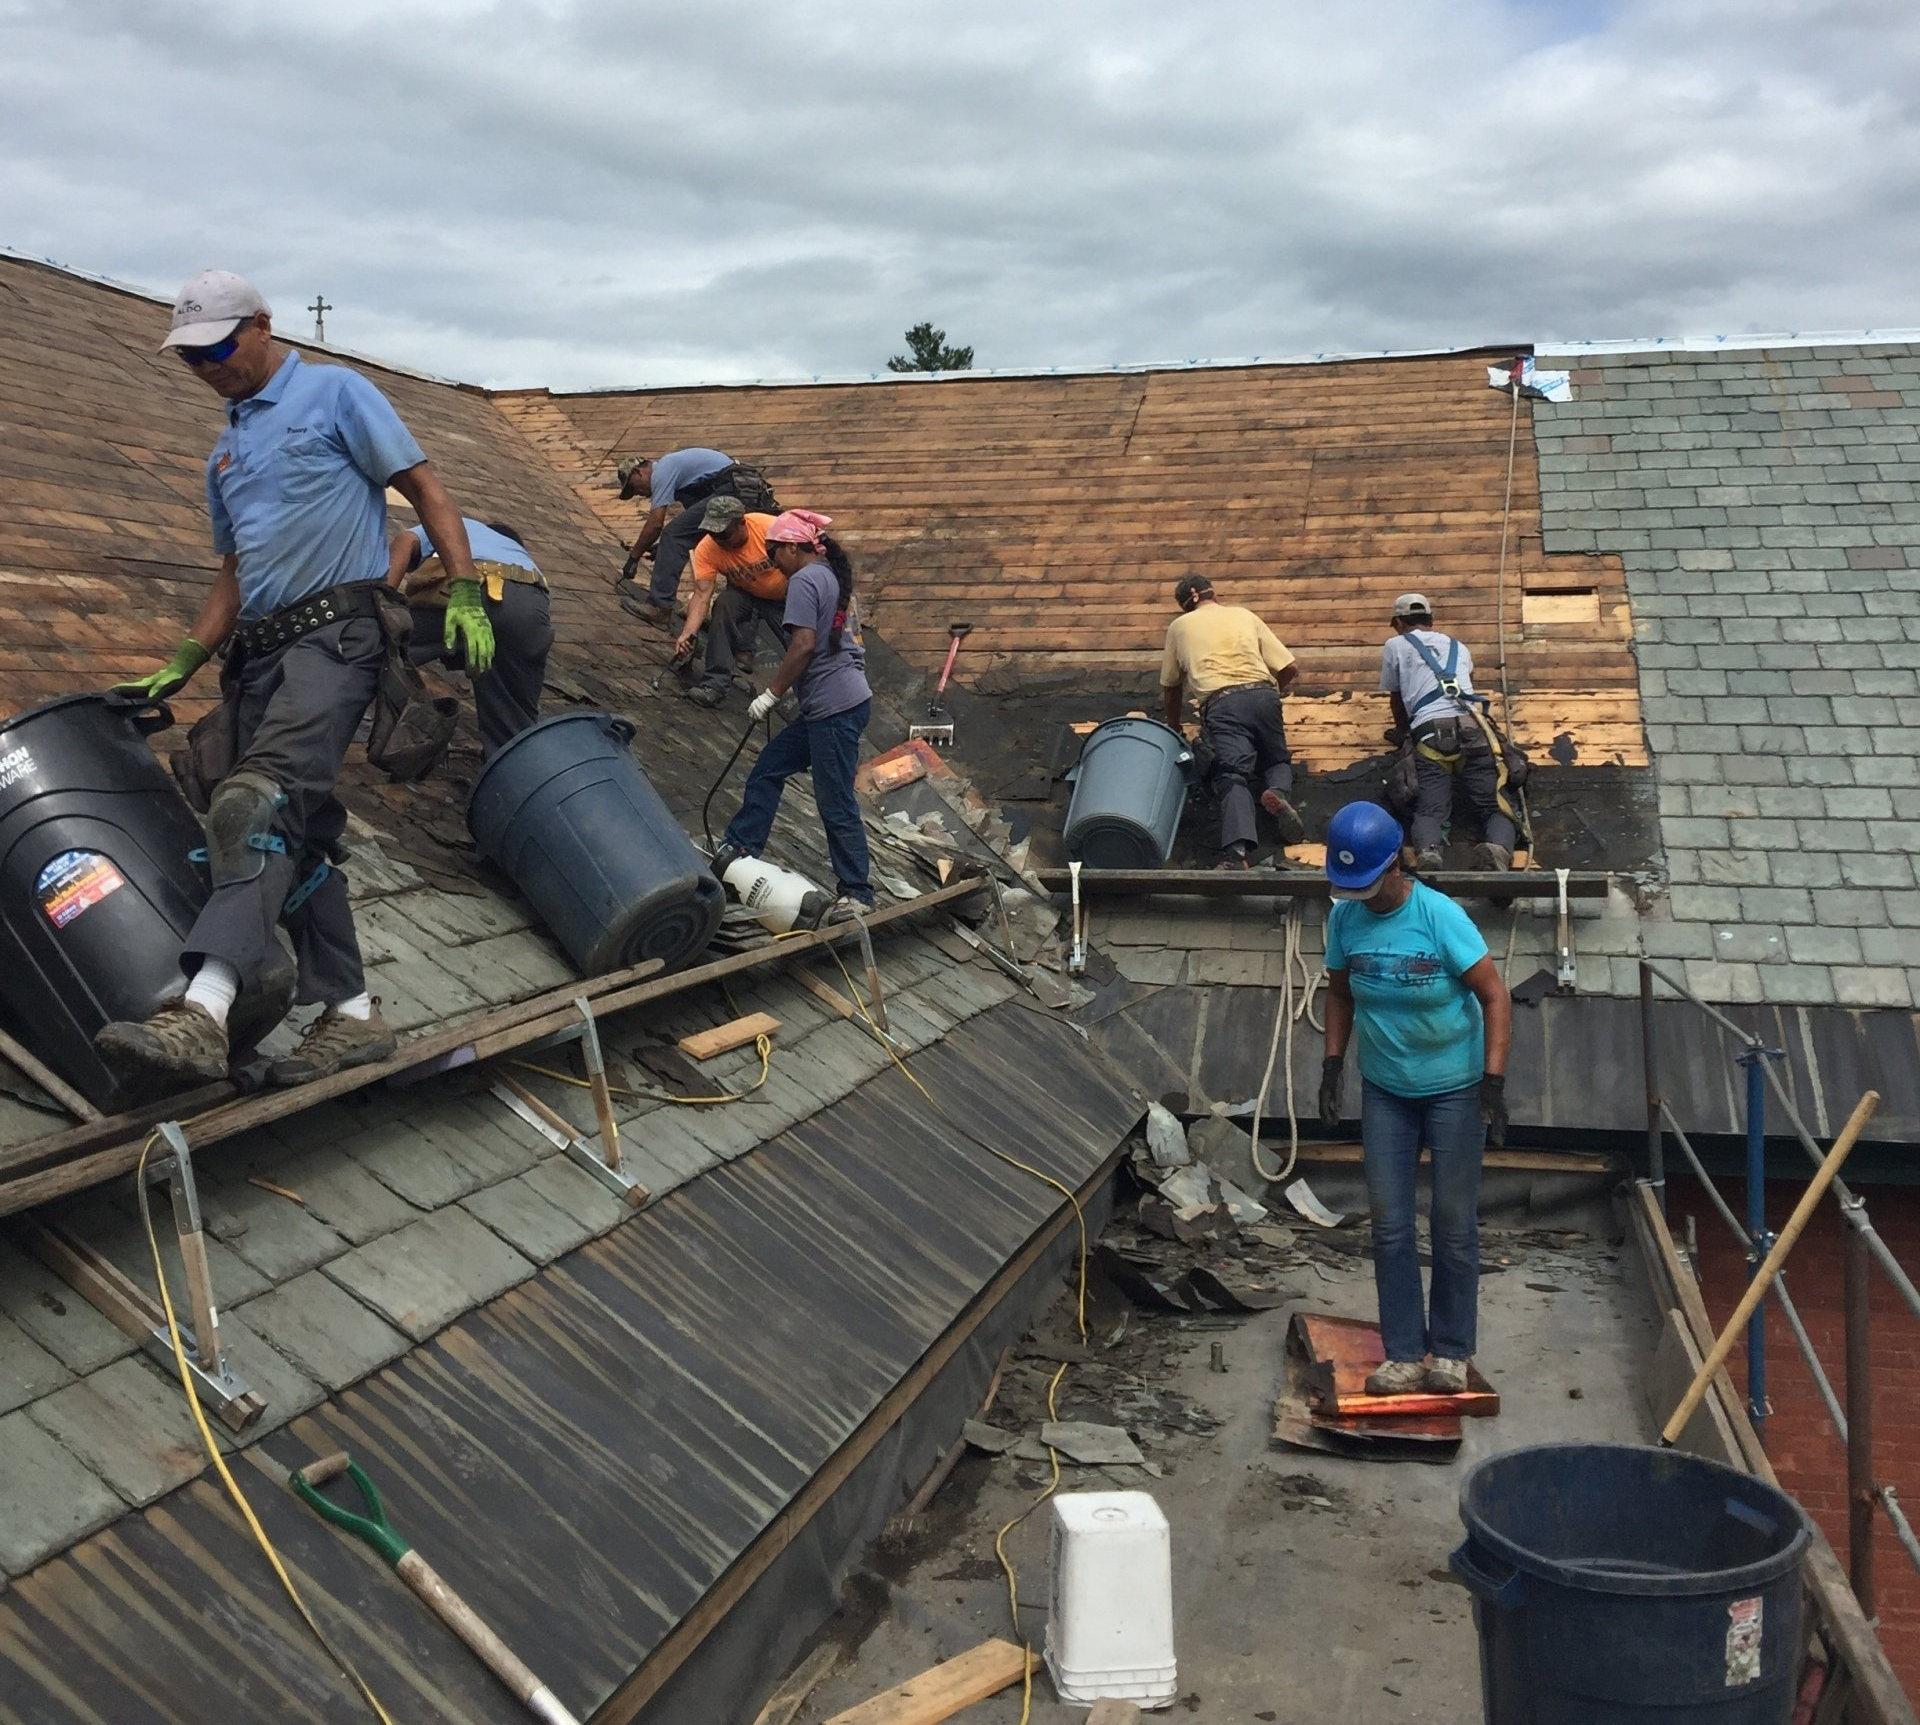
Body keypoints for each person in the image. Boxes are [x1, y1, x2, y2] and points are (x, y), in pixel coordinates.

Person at [96, 269, 488, 1089]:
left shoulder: (337, 394)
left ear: (263, 325)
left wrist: (462, 585)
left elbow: (424, 487)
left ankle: (203, 1009)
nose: (206, 365)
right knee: (285, 827)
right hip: (261, 653)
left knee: (255, 804)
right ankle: (349, 1013)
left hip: (338, 635)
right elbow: (234, 575)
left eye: (216, 347)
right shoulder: (226, 452)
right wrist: (182, 661)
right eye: (190, 357)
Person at [1316, 800, 1512, 1396]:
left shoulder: (1440, 917)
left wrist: (1493, 1081)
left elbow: (1495, 996)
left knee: (1452, 1224)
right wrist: (1331, 1066)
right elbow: (1341, 995)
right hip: (1387, 1090)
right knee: (1390, 1226)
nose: (1362, 896)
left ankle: (1450, 1352)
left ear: (1397, 864)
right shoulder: (1344, 920)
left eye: (1370, 884)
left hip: (1454, 1089)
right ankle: (1403, 1351)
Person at [709, 510, 874, 921]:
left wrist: (771, 694)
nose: (771, 560)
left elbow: (802, 645)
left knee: (835, 802)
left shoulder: (804, 579)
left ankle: (858, 893)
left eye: (774, 551)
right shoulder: (829, 576)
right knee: (769, 767)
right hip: (837, 702)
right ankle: (741, 849)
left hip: (834, 707)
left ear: (792, 547)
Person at [1158, 575, 1305, 868]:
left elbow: (1172, 687)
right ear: (1214, 593)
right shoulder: (1244, 615)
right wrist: (1275, 692)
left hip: (1223, 703)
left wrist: (1174, 728)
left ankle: (1237, 854)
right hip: (1263, 694)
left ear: (1189, 599)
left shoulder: (1179, 627)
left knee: (1232, 775)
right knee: (1276, 757)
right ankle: (1277, 792)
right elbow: (1289, 667)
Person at [389, 515, 553, 755]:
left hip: (472, 587)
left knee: (379, 649)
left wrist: (381, 597)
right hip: (530, 603)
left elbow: (405, 541)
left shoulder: (464, 526)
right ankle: (513, 777)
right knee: (514, 723)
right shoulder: (525, 560)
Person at [1380, 592, 1519, 872]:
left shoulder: (1396, 645)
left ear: (1398, 622)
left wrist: (1402, 733)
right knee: (1495, 805)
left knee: (1430, 809)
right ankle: (1500, 850)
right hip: (1475, 729)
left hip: (1431, 734)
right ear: (1431, 620)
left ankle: (1429, 851)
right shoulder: (1459, 647)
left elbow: (1397, 698)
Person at [615, 448, 778, 624]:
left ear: (638, 471)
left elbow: (655, 525)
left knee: (672, 535)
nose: (638, 493)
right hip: (740, 488)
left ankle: (659, 606)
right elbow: (698, 531)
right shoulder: (685, 483)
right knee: (723, 551)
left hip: (734, 488)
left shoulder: (663, 470)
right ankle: (737, 636)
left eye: (633, 487)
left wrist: (634, 557)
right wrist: (663, 550)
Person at [673, 497, 788, 709]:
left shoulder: (770, 528)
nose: (719, 541)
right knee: (724, 604)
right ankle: (714, 686)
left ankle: (815, 696)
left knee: (800, 641)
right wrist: (688, 633)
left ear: (742, 522)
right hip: (744, 592)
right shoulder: (708, 548)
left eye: (724, 534)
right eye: (714, 534)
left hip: (785, 597)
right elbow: (701, 595)